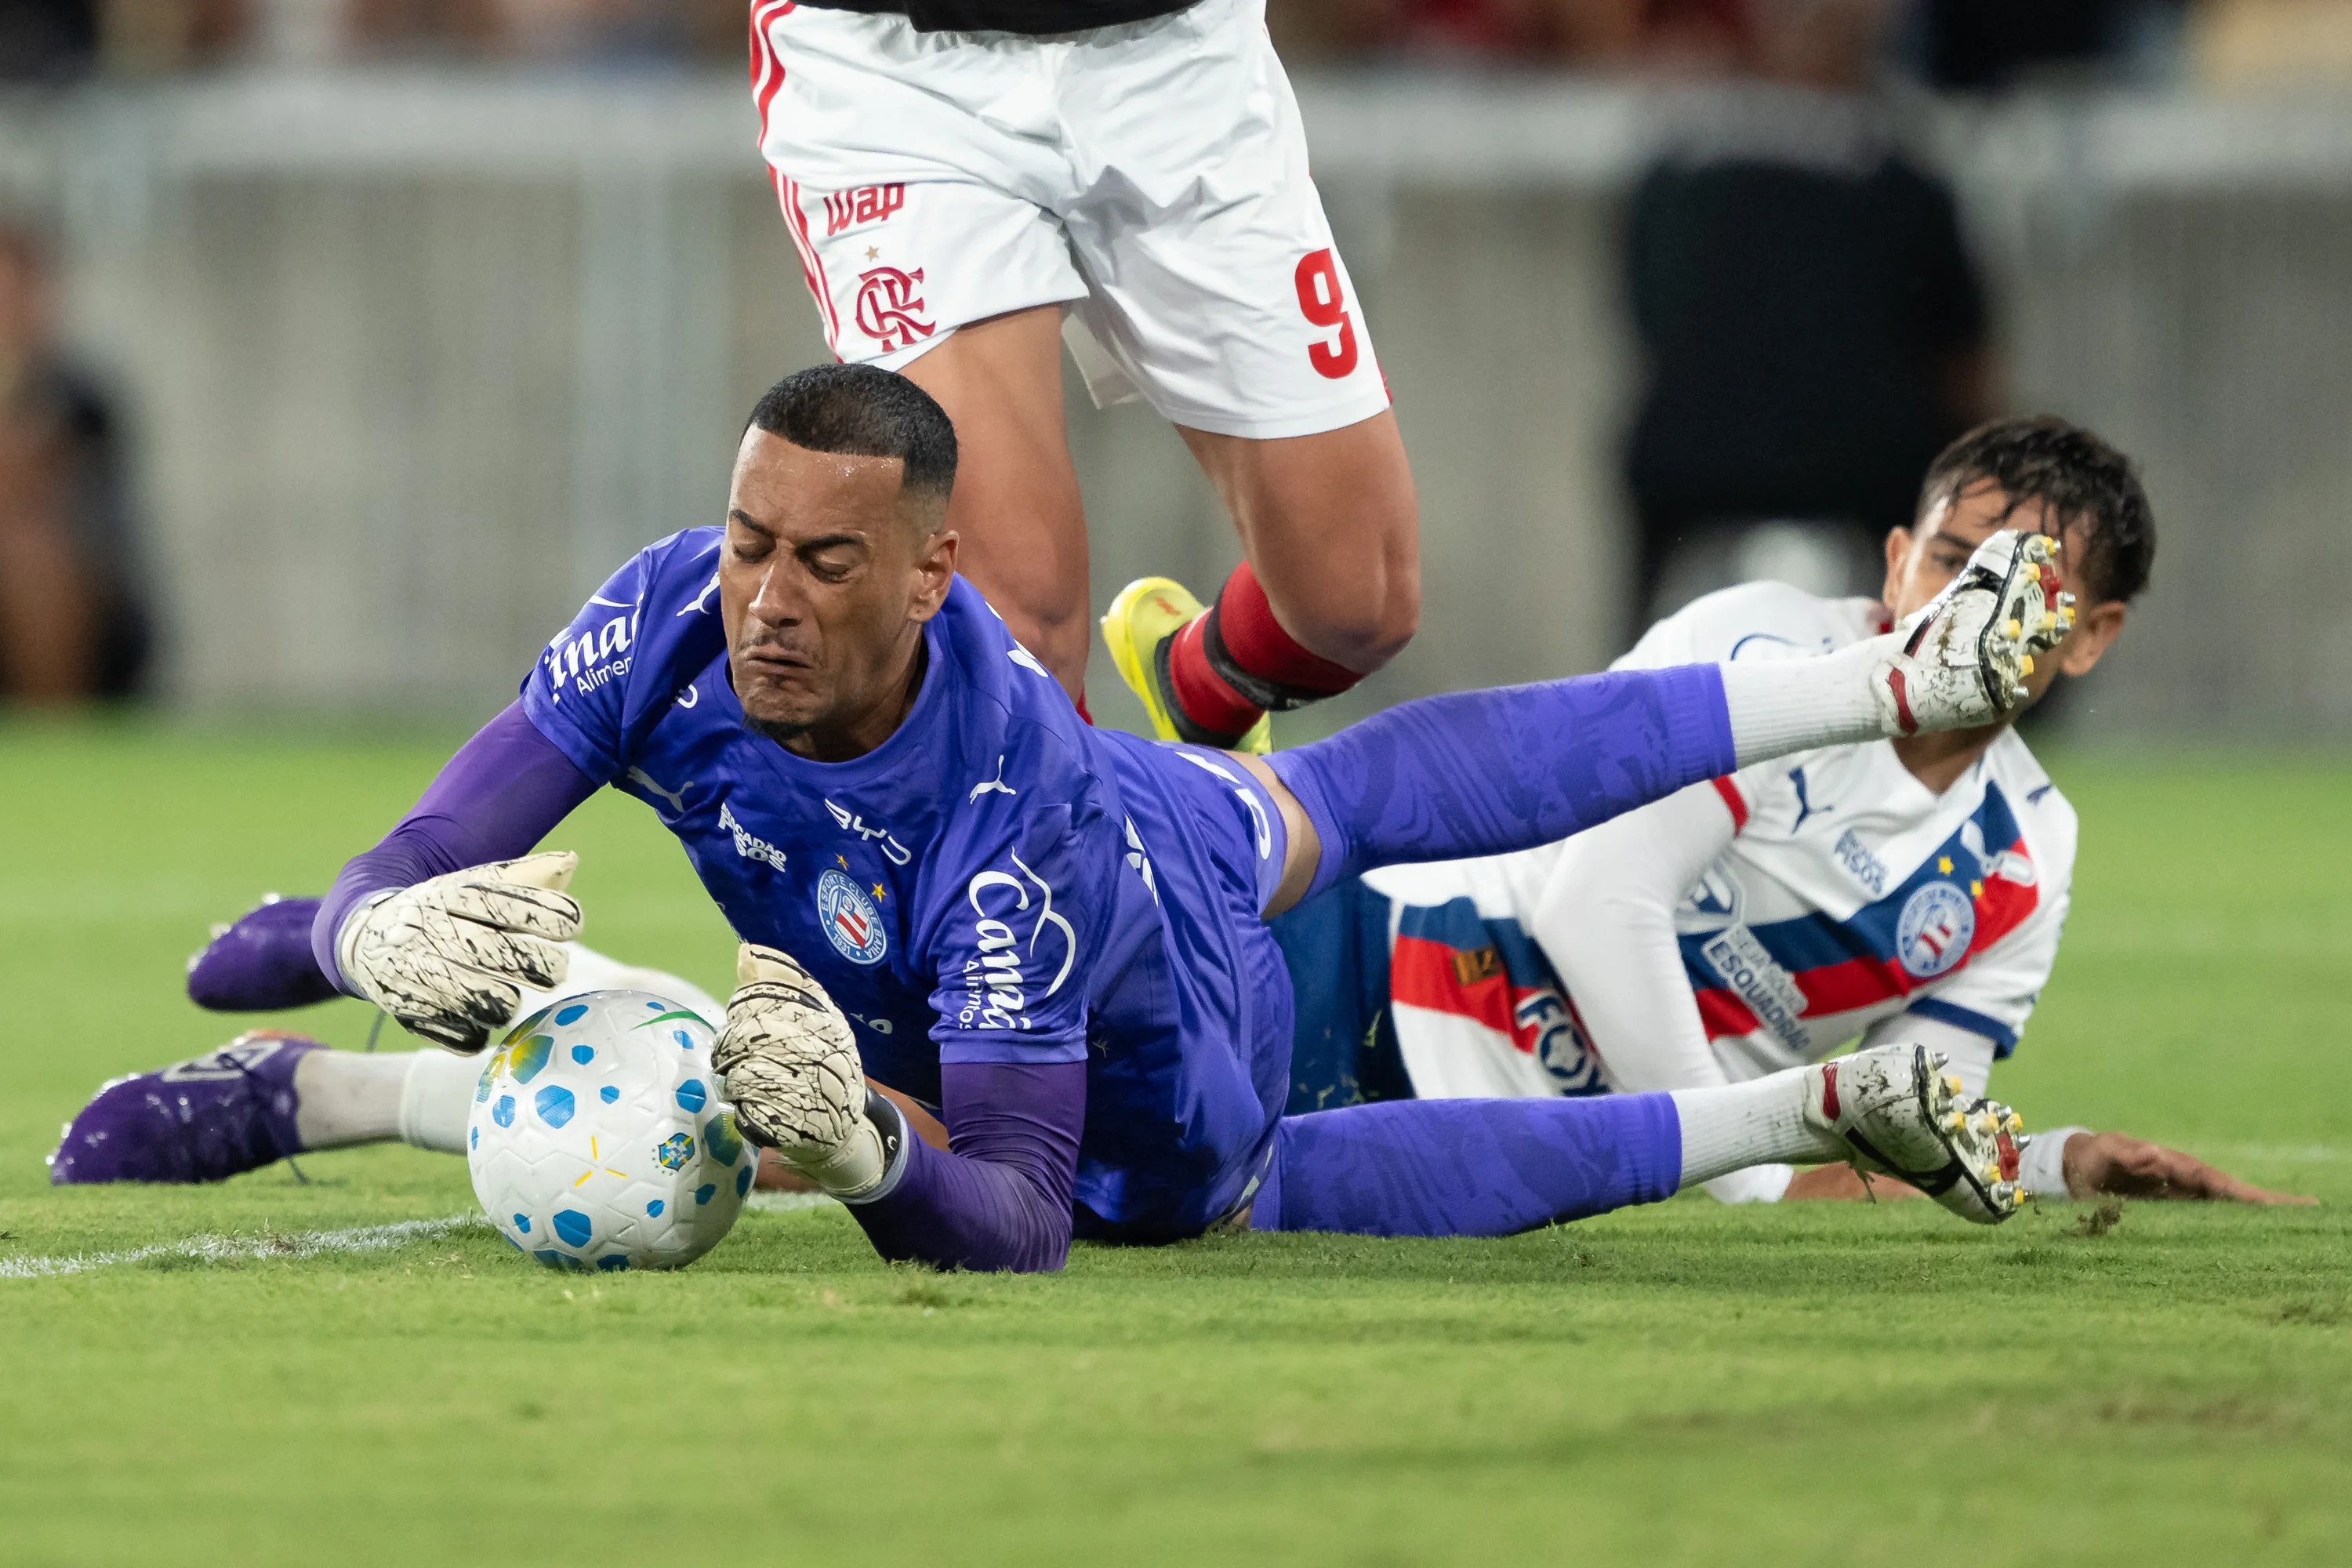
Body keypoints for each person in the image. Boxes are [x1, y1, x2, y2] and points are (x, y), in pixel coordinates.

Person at [56, 366, 2074, 1267]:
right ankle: (299, 1075)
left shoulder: (998, 830)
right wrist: (359, 933)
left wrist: (858, 1154)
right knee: (1341, 791)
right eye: (749, 538)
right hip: (1125, 835)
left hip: (1154, 1061)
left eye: (819, 563)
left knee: (1207, 1153)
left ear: (932, 572)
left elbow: (1013, 1214)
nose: (762, 594)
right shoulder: (665, 615)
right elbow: (421, 844)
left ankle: (1864, 831)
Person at [1269, 416, 2308, 1208]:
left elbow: (1909, 1117)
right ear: (1898, 559)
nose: (1969, 606)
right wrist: (1747, 1179)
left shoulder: (2028, 857)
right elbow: (1594, 901)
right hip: (1356, 978)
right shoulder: (1770, 653)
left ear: (2090, 635)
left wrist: (2054, 1165)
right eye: (1954, 560)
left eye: (2025, 582)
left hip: (1514, 1167)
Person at [747, 0, 1414, 749]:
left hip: (1181, 64)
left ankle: (1198, 688)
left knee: (1354, 606)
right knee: (1019, 636)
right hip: (901, 76)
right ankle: (1099, 857)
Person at [1621, 0, 1994, 627]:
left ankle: (1634, 678)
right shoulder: (1904, 176)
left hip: (1689, 479)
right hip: (1862, 483)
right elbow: (1968, 373)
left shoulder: (1674, 170)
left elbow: (1646, 323)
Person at [0, 220, 152, 702]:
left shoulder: (79, 398)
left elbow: (94, 530)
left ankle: (58, 734)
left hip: (79, 595)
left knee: (27, 548)